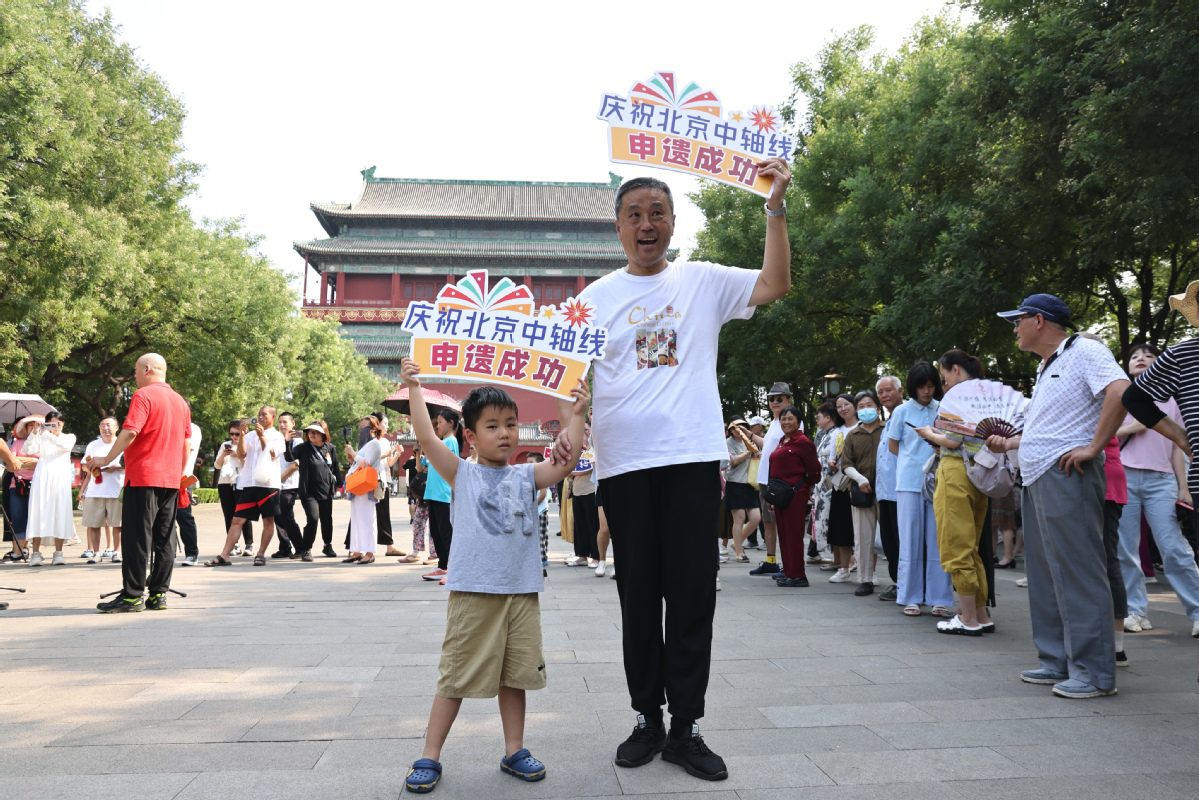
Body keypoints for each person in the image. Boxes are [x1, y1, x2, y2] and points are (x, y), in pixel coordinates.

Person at [569, 161, 792, 781]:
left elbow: (775, 283)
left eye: (657, 214)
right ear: (618, 227)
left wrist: (774, 208)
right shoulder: (595, 299)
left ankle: (687, 726)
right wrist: (570, 420)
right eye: (634, 215)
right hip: (626, 465)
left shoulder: (703, 282)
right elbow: (565, 376)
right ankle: (648, 717)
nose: (646, 225)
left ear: (672, 223)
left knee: (693, 594)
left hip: (693, 461)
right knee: (638, 596)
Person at [399, 357, 589, 794]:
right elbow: (427, 439)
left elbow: (566, 463)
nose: (505, 433)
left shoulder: (527, 476)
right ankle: (429, 755)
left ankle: (515, 749)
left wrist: (576, 416)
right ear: (469, 435)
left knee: (515, 675)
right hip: (474, 593)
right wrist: (414, 388)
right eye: (492, 425)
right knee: (455, 675)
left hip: (521, 593)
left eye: (511, 424)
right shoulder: (461, 473)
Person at [990, 294, 1128, 698]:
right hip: (1038, 475)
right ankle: (1057, 660)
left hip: (1068, 473)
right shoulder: (1048, 365)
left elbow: (1121, 391)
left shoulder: (1086, 350)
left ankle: (1094, 672)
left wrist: (1094, 446)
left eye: (1017, 321)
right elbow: (1049, 424)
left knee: (1078, 572)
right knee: (1047, 573)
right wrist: (1012, 443)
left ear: (1038, 320)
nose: (1014, 329)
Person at [1122, 279, 1199, 640]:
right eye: (1136, 356)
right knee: (1126, 551)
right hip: (1126, 475)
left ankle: (1197, 610)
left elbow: (1177, 450)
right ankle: (1134, 611)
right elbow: (1112, 428)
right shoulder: (1119, 393)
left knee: (1173, 547)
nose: (1141, 360)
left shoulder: (1171, 395)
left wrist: (1182, 483)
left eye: (1147, 356)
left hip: (1163, 479)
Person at [93, 353, 191, 612]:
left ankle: (132, 595)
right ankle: (159, 594)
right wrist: (178, 473)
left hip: (144, 476)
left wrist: (106, 458)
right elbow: (186, 443)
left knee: (137, 537)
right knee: (165, 537)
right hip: (170, 480)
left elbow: (130, 431)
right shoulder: (181, 402)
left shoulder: (143, 396)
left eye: (136, 371)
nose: (135, 376)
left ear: (147, 369)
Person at [915, 351, 995, 634]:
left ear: (956, 370)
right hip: (980, 473)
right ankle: (981, 613)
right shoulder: (989, 394)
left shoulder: (956, 397)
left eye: (944, 374)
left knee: (955, 545)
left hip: (955, 473)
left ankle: (968, 617)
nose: (942, 382)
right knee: (971, 547)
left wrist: (928, 434)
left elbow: (951, 440)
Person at [887, 362, 954, 617]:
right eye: (921, 387)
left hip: (939, 479)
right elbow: (893, 445)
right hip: (909, 482)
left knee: (938, 540)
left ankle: (940, 597)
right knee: (911, 539)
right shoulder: (902, 411)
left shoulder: (943, 409)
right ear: (913, 388)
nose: (926, 391)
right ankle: (910, 596)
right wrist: (910, 460)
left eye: (930, 386)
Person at [206, 406, 285, 567]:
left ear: (273, 417)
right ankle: (224, 555)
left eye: (265, 414)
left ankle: (261, 554)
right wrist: (242, 435)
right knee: (237, 519)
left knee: (268, 520)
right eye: (259, 414)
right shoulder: (249, 435)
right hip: (248, 483)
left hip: (268, 484)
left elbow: (271, 453)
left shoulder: (277, 436)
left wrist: (262, 435)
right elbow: (241, 454)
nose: (261, 417)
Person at [766, 406, 820, 587]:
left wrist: (802, 487)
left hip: (795, 495)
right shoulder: (783, 440)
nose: (786, 422)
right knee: (784, 535)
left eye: (790, 419)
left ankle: (798, 575)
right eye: (783, 419)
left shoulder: (803, 442)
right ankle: (789, 571)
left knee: (794, 536)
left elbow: (814, 471)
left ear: (798, 422)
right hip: (780, 495)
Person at [841, 390, 883, 596]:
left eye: (869, 405)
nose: (866, 409)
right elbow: (846, 464)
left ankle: (898, 579)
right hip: (861, 491)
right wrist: (860, 479)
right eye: (861, 407)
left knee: (892, 537)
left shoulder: (887, 429)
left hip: (887, 490)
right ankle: (865, 579)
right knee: (863, 536)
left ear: (877, 406)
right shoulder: (852, 435)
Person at [752, 382, 796, 575]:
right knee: (769, 522)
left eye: (780, 399)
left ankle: (790, 564)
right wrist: (747, 434)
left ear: (788, 399)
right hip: (766, 479)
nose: (775, 402)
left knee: (782, 522)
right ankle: (771, 560)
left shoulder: (790, 421)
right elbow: (768, 446)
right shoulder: (775, 423)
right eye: (771, 399)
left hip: (778, 481)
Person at [25, 411, 77, 566]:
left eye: (59, 423)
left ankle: (58, 553)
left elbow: (64, 446)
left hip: (60, 480)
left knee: (60, 513)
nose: (56, 426)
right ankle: (35, 553)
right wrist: (34, 434)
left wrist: (48, 434)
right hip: (43, 478)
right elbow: (29, 450)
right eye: (52, 423)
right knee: (38, 512)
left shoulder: (69, 437)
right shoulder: (42, 436)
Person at [285, 421, 341, 562]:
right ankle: (306, 549)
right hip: (308, 492)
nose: (311, 434)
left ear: (323, 434)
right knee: (313, 518)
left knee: (327, 519)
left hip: (326, 490)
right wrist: (287, 442)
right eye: (309, 432)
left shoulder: (330, 448)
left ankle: (327, 545)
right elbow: (289, 457)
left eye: (315, 432)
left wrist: (340, 483)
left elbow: (335, 467)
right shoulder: (303, 448)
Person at [422, 408, 462, 582]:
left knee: (445, 531)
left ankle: (450, 566)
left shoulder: (450, 441)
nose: (437, 426)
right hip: (434, 493)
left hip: (443, 493)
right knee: (437, 531)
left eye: (440, 422)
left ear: (451, 424)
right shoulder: (443, 442)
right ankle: (443, 564)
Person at [873, 376, 903, 600]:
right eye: (881, 392)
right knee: (890, 540)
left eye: (888, 390)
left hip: (901, 490)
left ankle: (905, 582)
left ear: (900, 390)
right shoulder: (889, 420)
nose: (884, 395)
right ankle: (897, 581)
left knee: (901, 539)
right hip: (885, 492)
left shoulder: (907, 414)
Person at [343, 416, 387, 564]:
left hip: (366, 486)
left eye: (365, 428)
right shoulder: (365, 445)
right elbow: (357, 463)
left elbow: (366, 464)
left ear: (373, 429)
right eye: (361, 428)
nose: (362, 431)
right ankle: (356, 550)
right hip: (357, 486)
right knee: (356, 519)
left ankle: (369, 552)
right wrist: (352, 457)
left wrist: (353, 454)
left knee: (367, 519)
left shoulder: (375, 444)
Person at [825, 394, 859, 582]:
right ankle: (844, 568)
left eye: (846, 404)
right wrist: (831, 462)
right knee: (842, 528)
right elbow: (832, 455)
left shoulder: (863, 428)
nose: (843, 408)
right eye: (839, 406)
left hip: (860, 482)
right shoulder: (837, 432)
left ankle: (866, 569)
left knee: (863, 528)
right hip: (841, 484)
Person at [81, 417, 124, 564]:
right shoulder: (93, 445)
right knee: (94, 524)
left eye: (109, 425)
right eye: (103, 425)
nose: (106, 428)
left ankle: (117, 552)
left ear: (116, 427)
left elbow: (130, 464)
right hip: (95, 490)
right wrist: (92, 467)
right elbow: (84, 466)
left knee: (117, 524)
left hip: (116, 489)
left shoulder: (122, 443)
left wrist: (115, 467)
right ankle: (96, 552)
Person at [213, 421, 255, 556]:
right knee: (228, 515)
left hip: (242, 482)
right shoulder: (225, 445)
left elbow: (250, 465)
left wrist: (238, 455)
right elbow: (217, 466)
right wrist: (223, 455)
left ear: (245, 432)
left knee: (244, 515)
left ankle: (249, 544)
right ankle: (234, 545)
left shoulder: (249, 444)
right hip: (225, 482)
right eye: (231, 434)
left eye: (237, 434)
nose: (234, 437)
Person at [724, 419, 762, 563]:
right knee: (739, 518)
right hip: (735, 483)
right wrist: (747, 453)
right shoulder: (727, 443)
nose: (738, 430)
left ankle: (736, 542)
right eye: (735, 428)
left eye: (742, 427)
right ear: (731, 430)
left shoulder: (749, 440)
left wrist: (755, 454)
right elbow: (731, 461)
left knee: (756, 518)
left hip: (750, 483)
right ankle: (739, 551)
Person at [3, 416, 39, 562]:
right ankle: (17, 551)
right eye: (30, 426)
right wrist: (32, 461)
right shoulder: (17, 442)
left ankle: (27, 549)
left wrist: (20, 461)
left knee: (34, 518)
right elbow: (10, 463)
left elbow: (41, 462)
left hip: (37, 485)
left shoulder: (44, 443)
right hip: (17, 484)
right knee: (17, 517)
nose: (33, 428)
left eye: (35, 426)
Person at [565, 424, 599, 568]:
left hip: (590, 491)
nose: (584, 432)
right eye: (581, 430)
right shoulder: (575, 451)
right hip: (577, 491)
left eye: (586, 430)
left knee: (593, 525)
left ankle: (596, 557)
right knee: (579, 525)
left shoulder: (593, 449)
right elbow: (567, 471)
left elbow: (589, 468)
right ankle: (582, 555)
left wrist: (572, 471)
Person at [271, 412, 304, 559]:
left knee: (287, 517)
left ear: (293, 423)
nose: (282, 425)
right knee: (278, 517)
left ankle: (301, 547)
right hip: (276, 484)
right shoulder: (278, 439)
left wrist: (279, 479)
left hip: (289, 485)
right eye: (280, 422)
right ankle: (285, 547)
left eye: (285, 422)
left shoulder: (297, 441)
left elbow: (295, 465)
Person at [174, 411, 202, 565]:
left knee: (184, 517)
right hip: (163, 479)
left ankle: (192, 554)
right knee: (164, 518)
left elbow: (185, 448)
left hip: (182, 479)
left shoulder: (192, 428)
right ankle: (167, 553)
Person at [401, 445, 429, 564]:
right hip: (423, 495)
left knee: (434, 528)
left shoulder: (439, 452)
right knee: (417, 522)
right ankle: (415, 552)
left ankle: (434, 554)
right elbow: (418, 468)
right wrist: (418, 453)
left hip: (436, 494)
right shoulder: (424, 457)